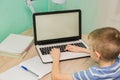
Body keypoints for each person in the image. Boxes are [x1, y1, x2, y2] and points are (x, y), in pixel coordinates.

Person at [50, 27, 120, 80]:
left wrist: (56, 58)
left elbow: (55, 77)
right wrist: (82, 49)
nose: (89, 49)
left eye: (90, 48)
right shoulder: (117, 61)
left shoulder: (93, 74)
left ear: (97, 55)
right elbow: (103, 53)